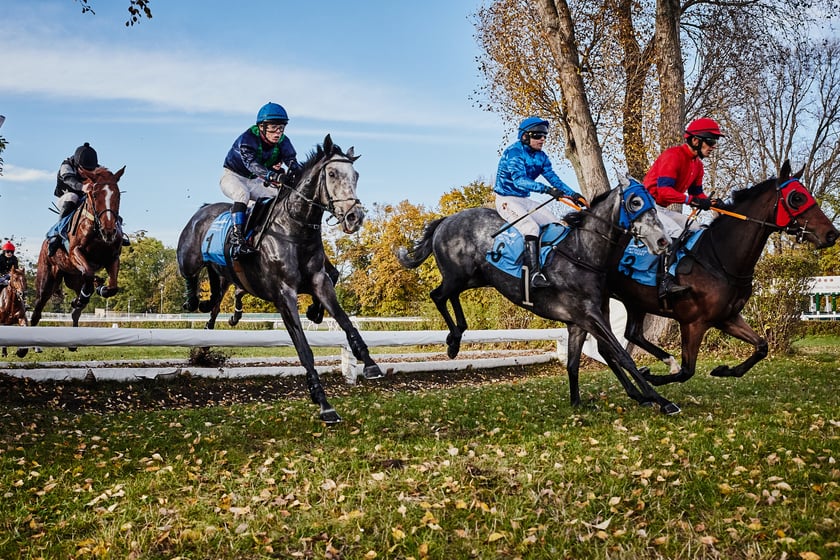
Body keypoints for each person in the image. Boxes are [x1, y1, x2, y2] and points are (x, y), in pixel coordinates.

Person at [494, 116, 587, 288]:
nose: (542, 139)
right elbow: (519, 181)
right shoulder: (514, 152)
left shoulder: (542, 157)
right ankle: (533, 275)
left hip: (524, 199)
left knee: (557, 225)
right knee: (531, 228)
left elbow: (555, 180)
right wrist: (547, 190)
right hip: (506, 199)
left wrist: (573, 194)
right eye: (537, 135)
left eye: (544, 135)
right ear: (525, 137)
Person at [643, 117, 723, 299]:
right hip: (646, 207)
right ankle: (666, 281)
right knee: (676, 232)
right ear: (695, 140)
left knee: (697, 230)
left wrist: (714, 203)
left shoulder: (698, 165)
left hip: (660, 209)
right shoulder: (673, 156)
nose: (713, 146)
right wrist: (692, 200)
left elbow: (698, 194)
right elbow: (664, 192)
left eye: (714, 142)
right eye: (710, 141)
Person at [221, 102, 303, 258]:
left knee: (276, 197)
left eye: (281, 127)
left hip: (254, 181)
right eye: (273, 128)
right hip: (232, 176)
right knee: (241, 194)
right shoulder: (247, 138)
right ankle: (237, 240)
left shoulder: (284, 141)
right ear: (261, 127)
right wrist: (273, 176)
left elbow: (292, 161)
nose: (278, 133)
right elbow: (252, 164)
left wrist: (299, 176)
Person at [46, 143, 130, 256]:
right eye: (83, 169)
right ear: (77, 163)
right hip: (67, 196)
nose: (86, 172)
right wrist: (82, 187)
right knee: (73, 197)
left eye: (90, 169)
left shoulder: (96, 167)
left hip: (86, 196)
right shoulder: (66, 166)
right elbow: (69, 180)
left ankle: (117, 233)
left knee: (105, 204)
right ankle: (57, 234)